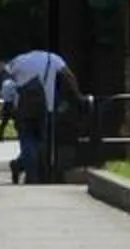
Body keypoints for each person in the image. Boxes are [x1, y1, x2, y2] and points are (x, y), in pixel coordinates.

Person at [7, 46, 79, 184]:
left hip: (22, 106)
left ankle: (25, 169)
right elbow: (69, 76)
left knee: (27, 139)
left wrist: (9, 101)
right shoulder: (52, 58)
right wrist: (77, 95)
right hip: (46, 107)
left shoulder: (19, 60)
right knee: (42, 141)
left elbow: (7, 78)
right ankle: (30, 172)